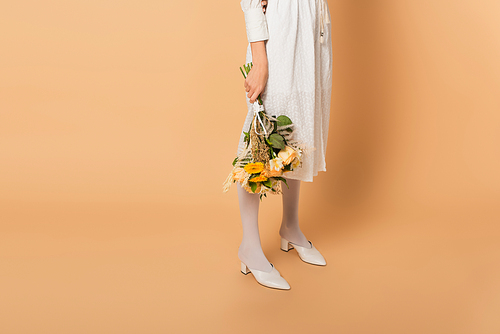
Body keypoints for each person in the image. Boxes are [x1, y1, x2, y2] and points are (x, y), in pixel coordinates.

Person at [236, 0, 332, 290]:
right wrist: (260, 60)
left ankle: (290, 227)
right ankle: (249, 247)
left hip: (314, 33)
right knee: (263, 138)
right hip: (280, 35)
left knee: (297, 133)